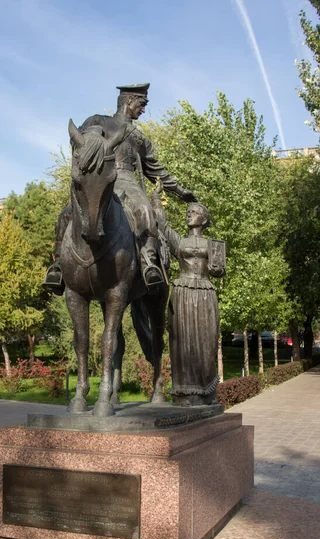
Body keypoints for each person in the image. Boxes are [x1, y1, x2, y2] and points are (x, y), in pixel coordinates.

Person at [43, 83, 198, 295]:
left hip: (127, 180)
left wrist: (181, 192)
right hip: (98, 177)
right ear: (128, 101)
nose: (143, 109)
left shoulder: (140, 138)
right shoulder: (98, 121)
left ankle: (148, 264)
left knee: (144, 211)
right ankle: (59, 266)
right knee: (66, 214)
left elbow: (157, 171)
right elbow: (80, 142)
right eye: (141, 104)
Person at [151, 186, 226, 405]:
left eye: (194, 212)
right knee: (182, 340)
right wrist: (156, 199)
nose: (189, 214)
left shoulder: (212, 245)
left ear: (203, 219)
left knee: (206, 340)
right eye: (188, 212)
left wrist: (217, 269)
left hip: (204, 294)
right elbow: (162, 226)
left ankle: (206, 391)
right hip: (182, 293)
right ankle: (184, 393)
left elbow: (220, 270)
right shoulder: (180, 243)